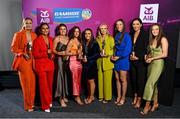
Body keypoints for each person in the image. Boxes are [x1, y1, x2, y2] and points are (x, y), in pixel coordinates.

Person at [140, 24, 168, 115]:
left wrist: (152, 58)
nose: (155, 31)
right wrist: (147, 57)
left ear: (160, 30)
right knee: (154, 85)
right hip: (151, 63)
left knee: (150, 83)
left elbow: (165, 54)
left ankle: (147, 106)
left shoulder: (163, 39)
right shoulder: (152, 39)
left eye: (157, 29)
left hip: (158, 63)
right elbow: (150, 52)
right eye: (153, 29)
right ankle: (155, 103)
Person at [11, 17, 36, 112]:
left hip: (32, 61)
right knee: (26, 84)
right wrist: (22, 53)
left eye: (30, 22)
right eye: (27, 22)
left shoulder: (34, 35)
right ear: (23, 24)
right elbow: (13, 48)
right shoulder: (18, 34)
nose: (28, 24)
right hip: (23, 61)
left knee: (33, 83)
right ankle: (28, 106)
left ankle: (32, 103)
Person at [32, 23, 54, 112]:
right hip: (41, 66)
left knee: (49, 85)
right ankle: (45, 106)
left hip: (50, 65)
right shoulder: (37, 40)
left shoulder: (51, 39)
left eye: (47, 28)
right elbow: (35, 55)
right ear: (40, 30)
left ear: (49, 30)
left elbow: (53, 52)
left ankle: (49, 101)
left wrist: (52, 55)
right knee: (43, 86)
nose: (45, 30)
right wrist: (46, 53)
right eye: (43, 28)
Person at [111, 19, 132, 106]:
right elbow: (115, 48)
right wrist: (113, 56)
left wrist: (119, 57)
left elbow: (128, 49)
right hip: (116, 60)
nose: (119, 26)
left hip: (123, 60)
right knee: (117, 79)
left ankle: (123, 98)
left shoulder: (127, 36)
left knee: (123, 79)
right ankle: (118, 97)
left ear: (123, 26)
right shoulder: (116, 36)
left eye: (120, 24)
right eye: (117, 25)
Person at [129, 18, 148, 108]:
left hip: (141, 62)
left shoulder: (145, 34)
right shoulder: (131, 34)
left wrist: (139, 57)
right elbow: (130, 47)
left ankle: (139, 99)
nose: (135, 26)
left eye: (137, 24)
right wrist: (130, 56)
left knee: (140, 81)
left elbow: (146, 48)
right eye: (134, 24)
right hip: (132, 61)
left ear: (141, 25)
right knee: (134, 80)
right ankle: (135, 96)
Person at [96, 24, 114, 103]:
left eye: (104, 28)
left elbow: (114, 49)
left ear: (107, 29)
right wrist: (98, 53)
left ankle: (107, 97)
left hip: (108, 61)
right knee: (100, 79)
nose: (103, 30)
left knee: (107, 80)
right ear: (99, 30)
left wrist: (108, 53)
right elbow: (95, 49)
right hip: (99, 61)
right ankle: (101, 96)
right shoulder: (97, 39)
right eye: (101, 29)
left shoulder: (110, 38)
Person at [66, 26, 84, 105]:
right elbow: (67, 53)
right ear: (73, 33)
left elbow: (80, 52)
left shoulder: (79, 41)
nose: (76, 33)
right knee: (75, 80)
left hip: (79, 62)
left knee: (79, 80)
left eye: (78, 31)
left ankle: (76, 95)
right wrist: (75, 53)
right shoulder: (71, 41)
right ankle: (77, 97)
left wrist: (82, 55)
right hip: (73, 62)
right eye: (75, 31)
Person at [82, 28, 100, 104]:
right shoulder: (85, 42)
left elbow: (97, 54)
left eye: (89, 33)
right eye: (86, 33)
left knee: (91, 81)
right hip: (86, 65)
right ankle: (90, 95)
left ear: (91, 34)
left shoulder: (95, 43)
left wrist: (88, 59)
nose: (87, 35)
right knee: (88, 81)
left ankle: (91, 97)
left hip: (92, 64)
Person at [53, 24, 69, 107]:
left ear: (66, 30)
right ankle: (60, 98)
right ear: (59, 30)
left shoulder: (68, 38)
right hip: (59, 60)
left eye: (64, 29)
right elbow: (53, 50)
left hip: (66, 60)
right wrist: (59, 53)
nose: (63, 30)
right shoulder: (57, 38)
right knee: (61, 77)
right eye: (61, 29)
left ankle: (64, 95)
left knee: (65, 77)